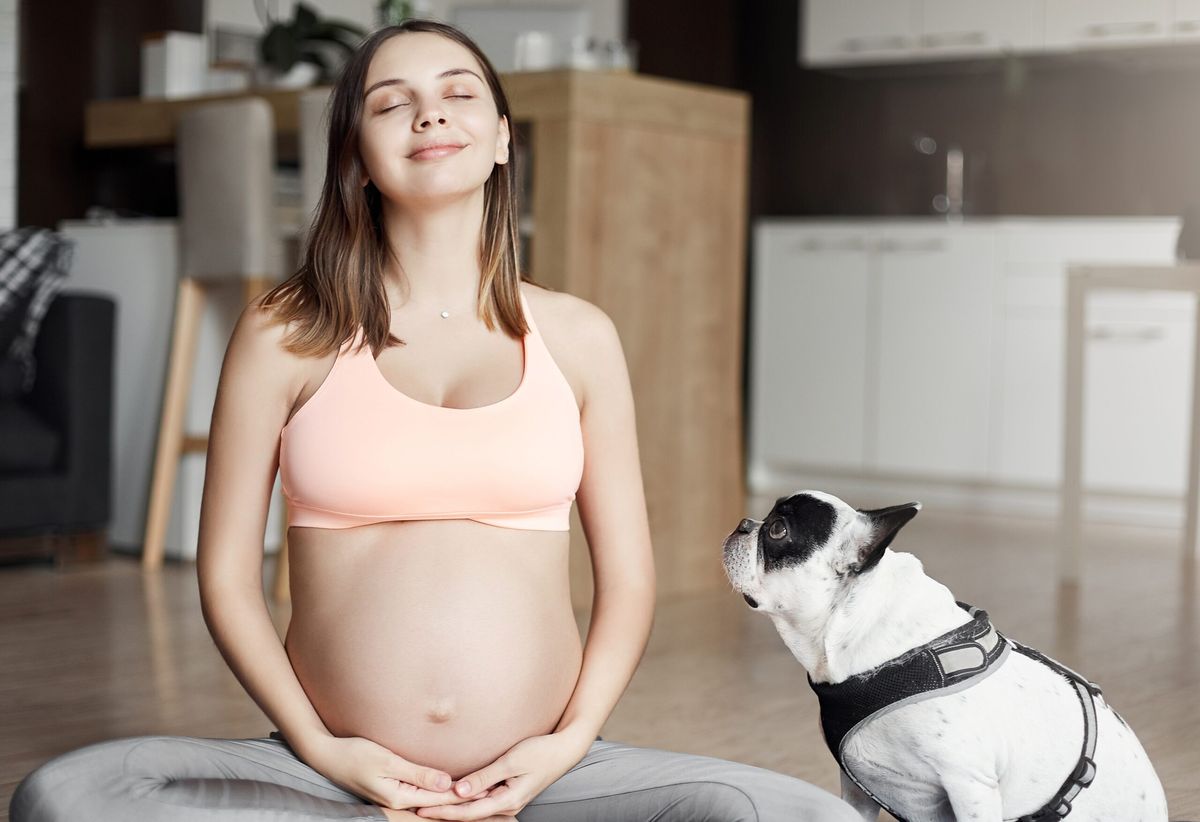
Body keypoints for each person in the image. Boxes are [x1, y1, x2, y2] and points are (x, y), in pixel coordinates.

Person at [9, 20, 858, 822]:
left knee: (800, 814)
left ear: (500, 140)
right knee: (70, 793)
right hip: (330, 777)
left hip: (543, 780)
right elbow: (227, 579)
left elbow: (627, 583)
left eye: (458, 93)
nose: (429, 112)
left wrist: (562, 748)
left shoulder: (581, 337)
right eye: (389, 102)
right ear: (358, 157)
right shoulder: (285, 333)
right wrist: (322, 748)